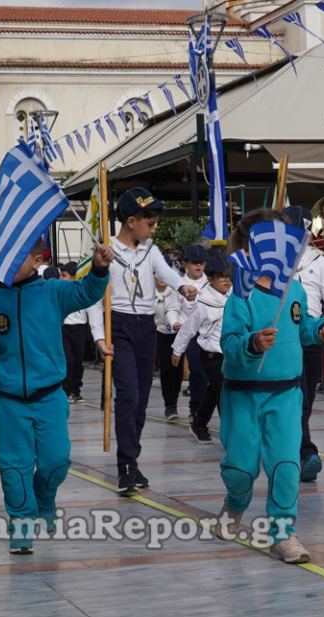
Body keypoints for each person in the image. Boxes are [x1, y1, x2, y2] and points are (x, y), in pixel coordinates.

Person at [0, 240, 112, 554]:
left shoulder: (54, 292)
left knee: (56, 462)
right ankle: (22, 526)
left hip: (50, 398)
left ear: (37, 260)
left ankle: (45, 497)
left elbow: (87, 292)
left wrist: (99, 268)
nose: (9, 262)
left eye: (18, 256)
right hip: (9, 403)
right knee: (14, 470)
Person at [215, 210, 324, 563]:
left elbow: (302, 327)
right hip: (242, 395)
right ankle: (236, 501)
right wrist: (252, 344)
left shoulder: (296, 291)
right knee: (241, 470)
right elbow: (228, 344)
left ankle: (283, 533)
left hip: (287, 394)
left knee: (286, 466)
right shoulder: (240, 296)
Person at [88, 188, 198, 495]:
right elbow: (95, 299)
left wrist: (184, 287)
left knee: (141, 400)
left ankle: (132, 460)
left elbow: (167, 273)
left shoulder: (150, 250)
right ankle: (125, 465)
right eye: (149, 224)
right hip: (119, 325)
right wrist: (99, 337)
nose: (153, 229)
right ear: (131, 221)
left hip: (145, 327)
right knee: (128, 395)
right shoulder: (106, 250)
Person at [287, 207, 324, 482]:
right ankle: (300, 451)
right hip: (281, 335)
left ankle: (303, 451)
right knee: (286, 396)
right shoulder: (271, 261)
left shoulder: (319, 262)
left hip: (310, 334)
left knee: (305, 397)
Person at [172, 256, 232, 443]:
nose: (226, 281)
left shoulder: (234, 298)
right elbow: (189, 328)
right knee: (222, 391)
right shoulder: (203, 303)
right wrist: (177, 350)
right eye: (221, 277)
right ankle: (230, 435)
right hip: (211, 355)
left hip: (230, 354)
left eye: (229, 277)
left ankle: (199, 423)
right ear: (210, 279)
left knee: (214, 392)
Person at [179, 244, 209, 419]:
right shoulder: (179, 284)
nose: (198, 266)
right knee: (197, 371)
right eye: (194, 263)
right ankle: (195, 407)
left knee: (212, 375)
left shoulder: (211, 281)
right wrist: (176, 322)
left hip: (211, 333)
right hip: (191, 334)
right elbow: (174, 308)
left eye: (201, 263)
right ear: (185, 264)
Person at [154, 275, 183, 420]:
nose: (161, 278)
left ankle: (175, 399)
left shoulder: (176, 290)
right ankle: (169, 405)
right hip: (159, 333)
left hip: (178, 332)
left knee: (177, 370)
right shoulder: (148, 292)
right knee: (166, 369)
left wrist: (176, 323)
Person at [60, 262, 89, 403]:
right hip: (64, 327)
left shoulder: (82, 290)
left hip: (79, 328)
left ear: (73, 277)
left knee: (78, 361)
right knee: (67, 360)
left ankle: (76, 390)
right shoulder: (60, 290)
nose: (61, 278)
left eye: (64, 276)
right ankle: (66, 390)